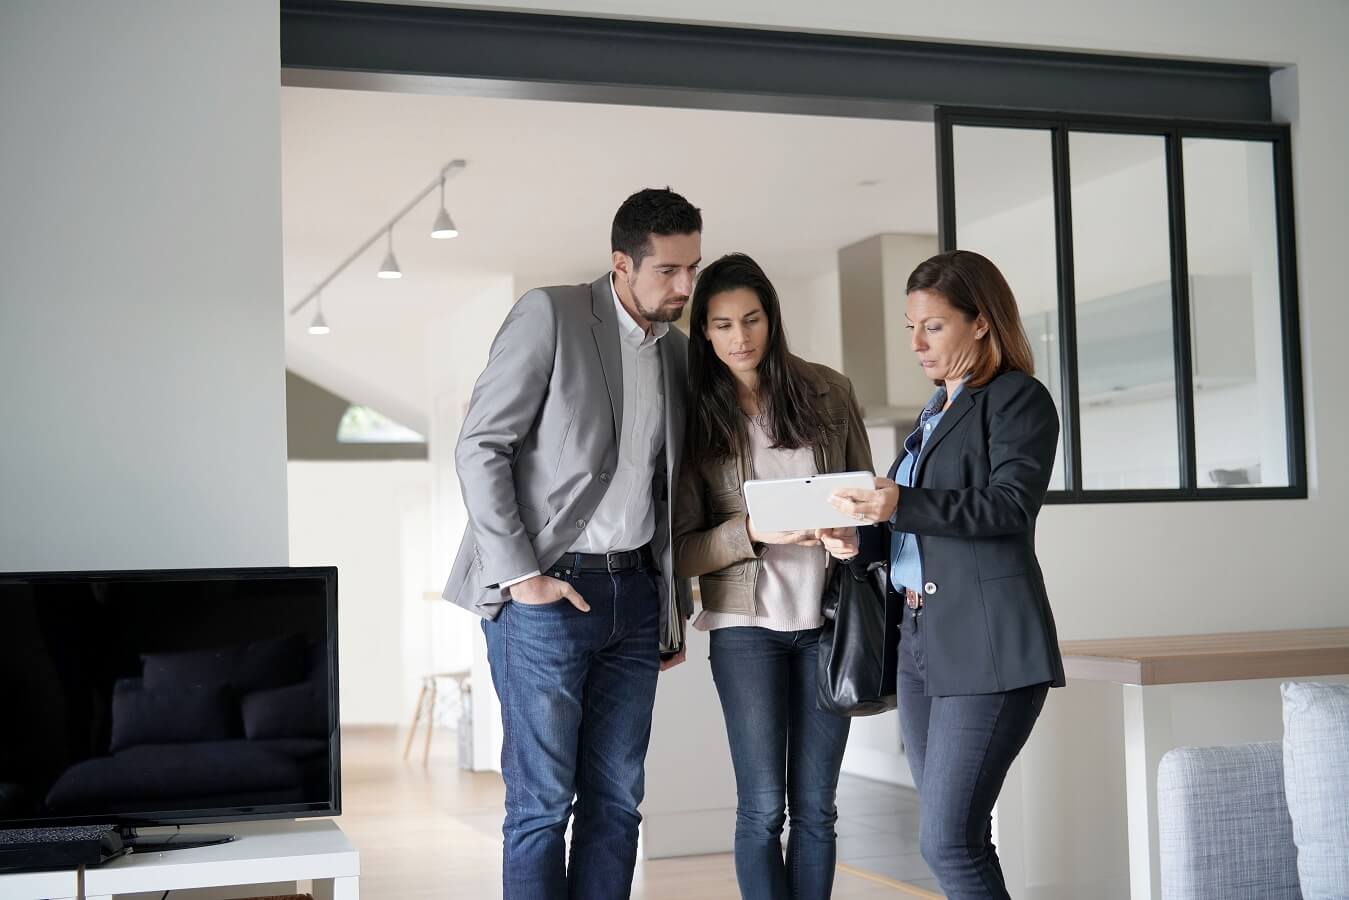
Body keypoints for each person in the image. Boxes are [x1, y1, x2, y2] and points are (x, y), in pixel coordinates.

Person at [442, 188, 701, 900]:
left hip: (636, 595)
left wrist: (669, 606)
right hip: (548, 594)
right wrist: (521, 577)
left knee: (617, 804)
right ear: (621, 264)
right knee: (541, 804)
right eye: (668, 271)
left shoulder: (675, 352)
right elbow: (481, 446)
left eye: (692, 269)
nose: (684, 288)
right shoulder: (551, 314)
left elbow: (663, 490)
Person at [829, 249, 1066, 900]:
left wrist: (899, 501)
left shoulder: (1015, 398)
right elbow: (918, 533)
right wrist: (860, 537)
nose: (916, 343)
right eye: (910, 327)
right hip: (919, 641)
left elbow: (1009, 504)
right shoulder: (935, 412)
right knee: (946, 838)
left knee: (947, 840)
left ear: (980, 322)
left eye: (931, 325)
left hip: (986, 645)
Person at [672, 252, 872, 900]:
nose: (740, 337)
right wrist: (751, 533)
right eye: (722, 324)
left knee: (817, 809)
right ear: (703, 331)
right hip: (745, 631)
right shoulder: (695, 416)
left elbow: (869, 507)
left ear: (771, 319)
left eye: (751, 319)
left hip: (827, 624)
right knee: (762, 810)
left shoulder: (828, 392)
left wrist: (849, 537)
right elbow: (678, 552)